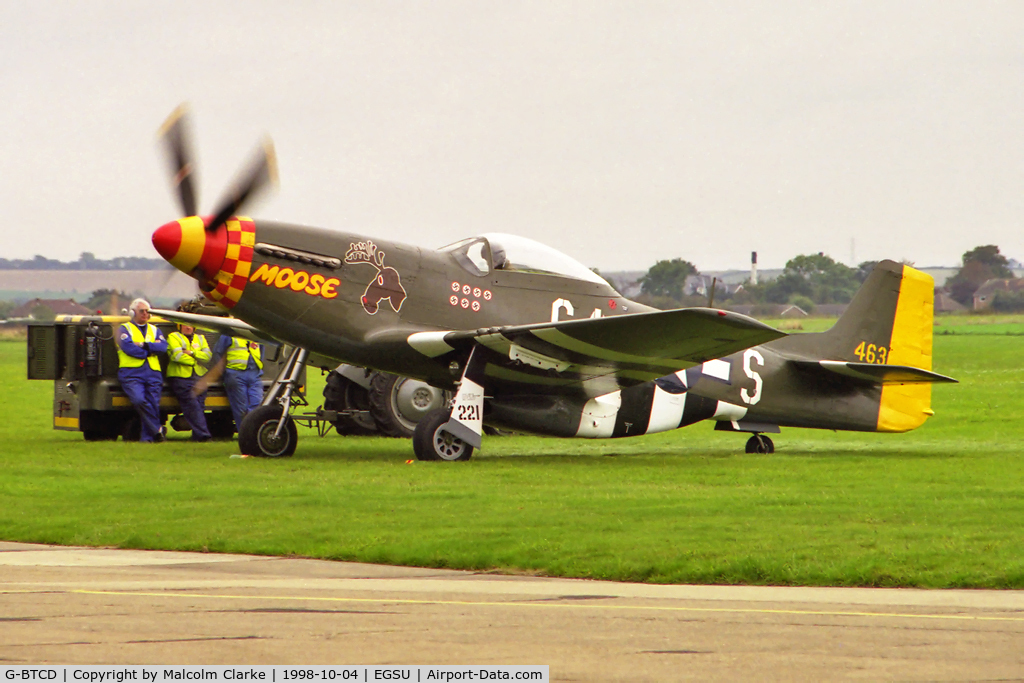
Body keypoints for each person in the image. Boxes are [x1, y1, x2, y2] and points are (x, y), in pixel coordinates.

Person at [116, 298, 168, 443]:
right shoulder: (124, 329)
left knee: (153, 403)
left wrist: (143, 345)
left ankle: (148, 438)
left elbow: (163, 348)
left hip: (153, 373)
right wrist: (150, 350)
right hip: (131, 373)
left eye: (147, 311)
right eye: (142, 311)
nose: (145, 314)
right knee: (139, 400)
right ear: (133, 312)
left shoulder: (155, 329)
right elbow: (129, 348)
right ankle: (157, 430)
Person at [167, 322, 213, 442]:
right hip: (181, 377)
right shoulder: (173, 337)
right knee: (193, 406)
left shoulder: (201, 338)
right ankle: (204, 436)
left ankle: (197, 437)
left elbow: (208, 356)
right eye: (184, 325)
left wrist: (192, 353)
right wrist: (195, 360)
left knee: (200, 406)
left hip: (199, 377)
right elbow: (177, 356)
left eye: (190, 325)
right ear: (179, 326)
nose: (188, 327)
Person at [212, 335, 264, 434]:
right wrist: (224, 372)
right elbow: (217, 352)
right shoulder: (229, 333)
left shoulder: (254, 332)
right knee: (241, 409)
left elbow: (262, 350)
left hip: (255, 374)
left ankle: (254, 433)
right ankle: (246, 435)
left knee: (257, 405)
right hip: (235, 374)